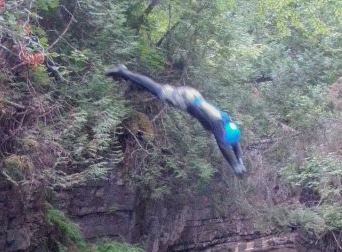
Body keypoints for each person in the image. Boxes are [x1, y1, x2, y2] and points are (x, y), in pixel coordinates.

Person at [105, 64, 246, 177]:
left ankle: (134, 84)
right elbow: (223, 146)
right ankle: (123, 72)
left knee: (157, 90)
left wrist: (240, 161)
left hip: (192, 96)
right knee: (157, 89)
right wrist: (234, 166)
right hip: (186, 99)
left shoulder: (227, 121)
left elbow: (234, 143)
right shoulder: (217, 124)